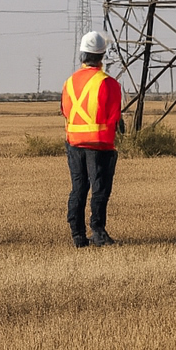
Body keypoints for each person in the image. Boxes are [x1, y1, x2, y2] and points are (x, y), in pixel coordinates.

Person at [60, 31, 123, 247]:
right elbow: (114, 116)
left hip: (74, 142)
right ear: (102, 55)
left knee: (78, 187)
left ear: (82, 54)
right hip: (100, 144)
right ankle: (98, 231)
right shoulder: (108, 83)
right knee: (100, 188)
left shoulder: (69, 82)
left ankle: (77, 236)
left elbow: (65, 111)